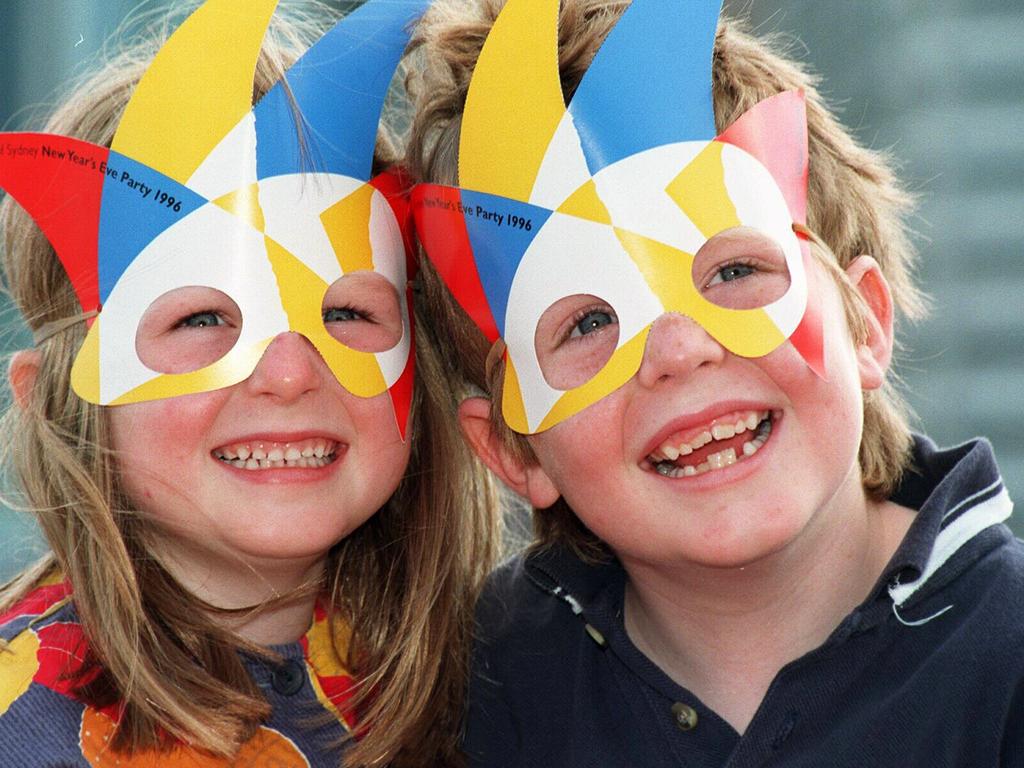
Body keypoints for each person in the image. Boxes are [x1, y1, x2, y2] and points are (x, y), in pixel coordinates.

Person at [406, 0, 1024, 765]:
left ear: (863, 323)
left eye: (734, 271)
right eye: (589, 324)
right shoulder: (479, 691)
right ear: (515, 452)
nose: (677, 348)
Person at [0, 1, 496, 766]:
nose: (293, 372)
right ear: (53, 401)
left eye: (346, 313)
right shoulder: (21, 727)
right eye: (201, 320)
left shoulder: (493, 689)